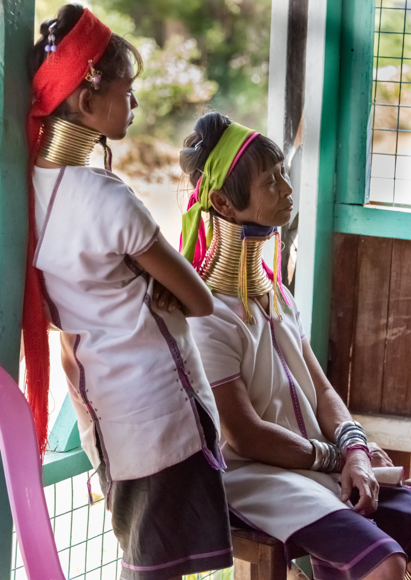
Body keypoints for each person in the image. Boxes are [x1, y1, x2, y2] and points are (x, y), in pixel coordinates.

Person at [25, 7, 233, 579]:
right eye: (127, 91)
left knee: (142, 561)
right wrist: (152, 289)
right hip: (159, 408)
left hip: (105, 412)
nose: (135, 105)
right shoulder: (110, 201)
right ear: (87, 103)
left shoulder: (26, 192)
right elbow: (199, 299)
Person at [180, 111, 411, 580]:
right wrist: (340, 457)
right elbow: (244, 434)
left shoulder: (275, 294)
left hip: (319, 462)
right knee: (385, 565)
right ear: (224, 203)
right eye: (271, 181)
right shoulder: (208, 316)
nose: (287, 189)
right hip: (259, 479)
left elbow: (323, 390)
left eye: (283, 173)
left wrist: (356, 449)